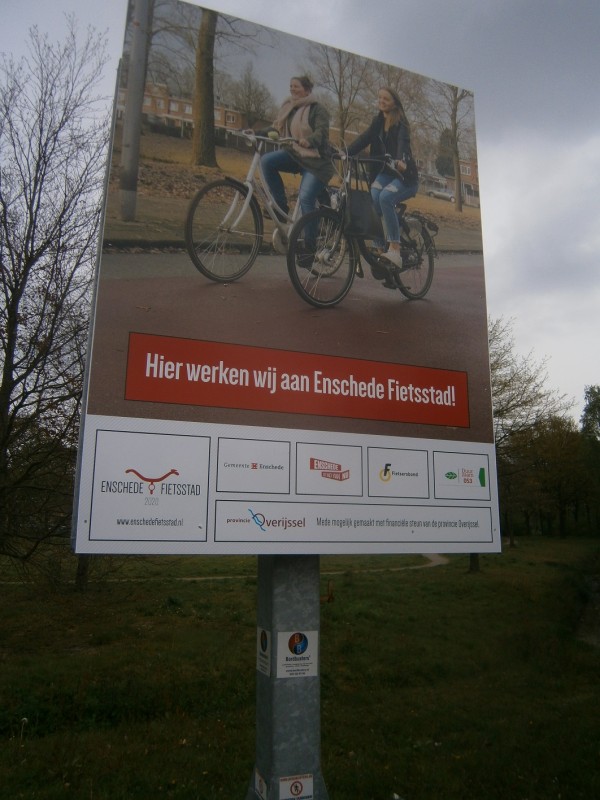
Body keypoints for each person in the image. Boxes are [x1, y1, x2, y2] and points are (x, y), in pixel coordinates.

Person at [347, 86, 419, 269]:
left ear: (394, 102)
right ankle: (380, 248)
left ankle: (395, 248)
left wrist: (401, 160)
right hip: (386, 173)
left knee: (385, 197)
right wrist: (345, 153)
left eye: (386, 98)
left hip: (405, 177)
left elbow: (403, 143)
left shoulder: (401, 123)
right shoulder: (378, 122)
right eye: (379, 98)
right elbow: (364, 139)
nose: (381, 101)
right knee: (373, 196)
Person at [260, 76, 334, 222]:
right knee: (266, 161)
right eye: (291, 86)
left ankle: (309, 243)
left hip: (316, 162)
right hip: (295, 155)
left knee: (306, 198)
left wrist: (309, 140)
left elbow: (322, 131)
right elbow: (276, 127)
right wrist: (254, 132)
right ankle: (280, 207)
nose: (292, 89)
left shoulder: (317, 109)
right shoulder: (289, 107)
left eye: (296, 86)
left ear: (307, 90)